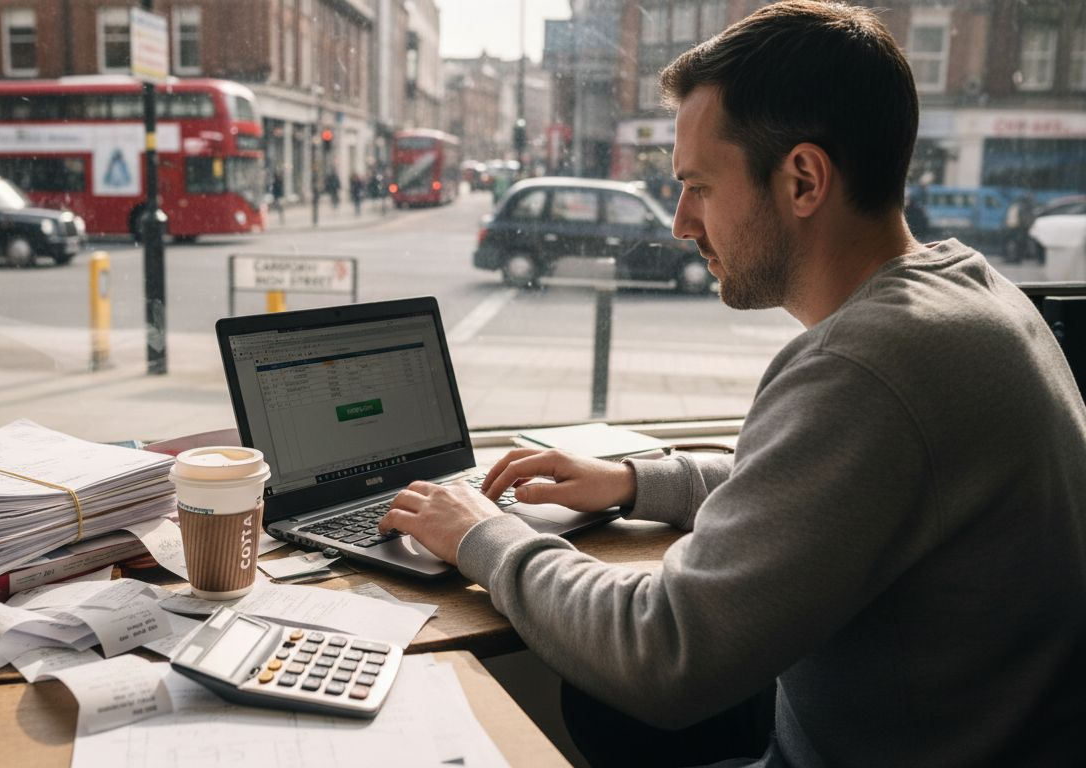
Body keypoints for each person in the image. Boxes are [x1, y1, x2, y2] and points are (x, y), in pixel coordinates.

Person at [379, 2, 1086, 767]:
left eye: (698, 187)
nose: (681, 223)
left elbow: (662, 653)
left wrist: (481, 534)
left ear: (804, 179)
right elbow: (817, 485)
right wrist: (633, 482)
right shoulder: (969, 290)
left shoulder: (869, 366)